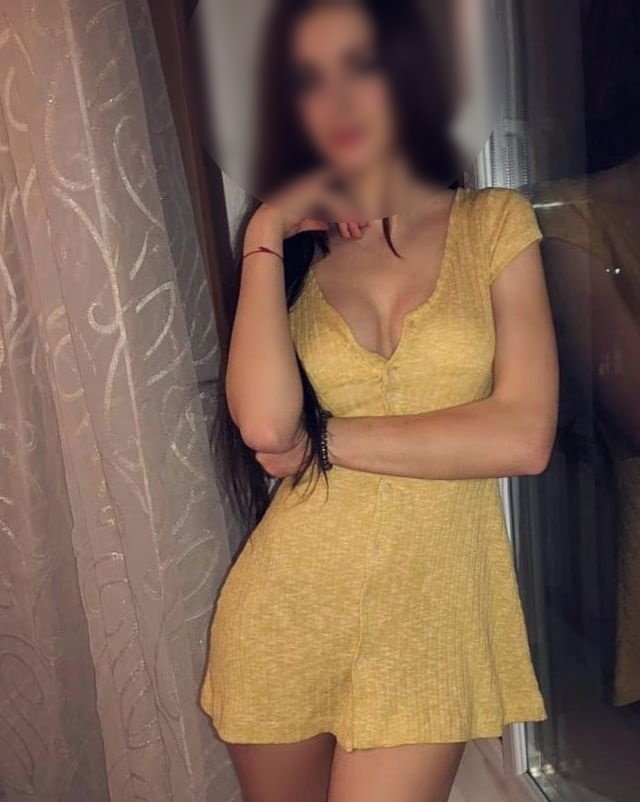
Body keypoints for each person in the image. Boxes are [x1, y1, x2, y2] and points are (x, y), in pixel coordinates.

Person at [199, 2, 559, 800]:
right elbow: (265, 426)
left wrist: (324, 443)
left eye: (359, 66)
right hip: (284, 614)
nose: (337, 100)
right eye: (308, 80)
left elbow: (523, 435)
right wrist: (266, 229)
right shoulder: (291, 256)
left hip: (431, 621)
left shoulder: (493, 223)